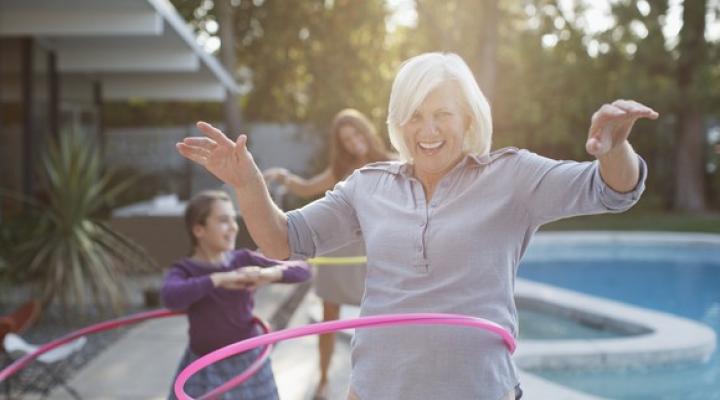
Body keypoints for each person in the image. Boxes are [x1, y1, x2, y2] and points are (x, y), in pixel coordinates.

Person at [176, 52, 657, 400]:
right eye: (415, 116)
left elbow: (610, 191)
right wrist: (248, 183)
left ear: (468, 118)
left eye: (442, 115)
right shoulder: (368, 186)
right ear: (398, 123)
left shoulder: (513, 176)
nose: (427, 131)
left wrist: (615, 149)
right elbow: (282, 240)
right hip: (377, 391)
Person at [262, 108, 393, 399]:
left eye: (356, 134)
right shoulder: (340, 170)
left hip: (373, 252)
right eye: (345, 139)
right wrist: (281, 178)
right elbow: (308, 187)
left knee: (380, 319)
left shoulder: (392, 162)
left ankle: (379, 385)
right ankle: (322, 380)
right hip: (340, 250)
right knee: (329, 318)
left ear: (366, 130)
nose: (352, 142)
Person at [161, 190, 311, 400]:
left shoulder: (243, 259)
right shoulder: (185, 270)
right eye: (223, 220)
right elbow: (171, 297)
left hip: (248, 358)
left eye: (233, 219)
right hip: (205, 363)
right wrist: (219, 279)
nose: (233, 227)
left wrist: (267, 274)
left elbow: (302, 269)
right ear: (199, 229)